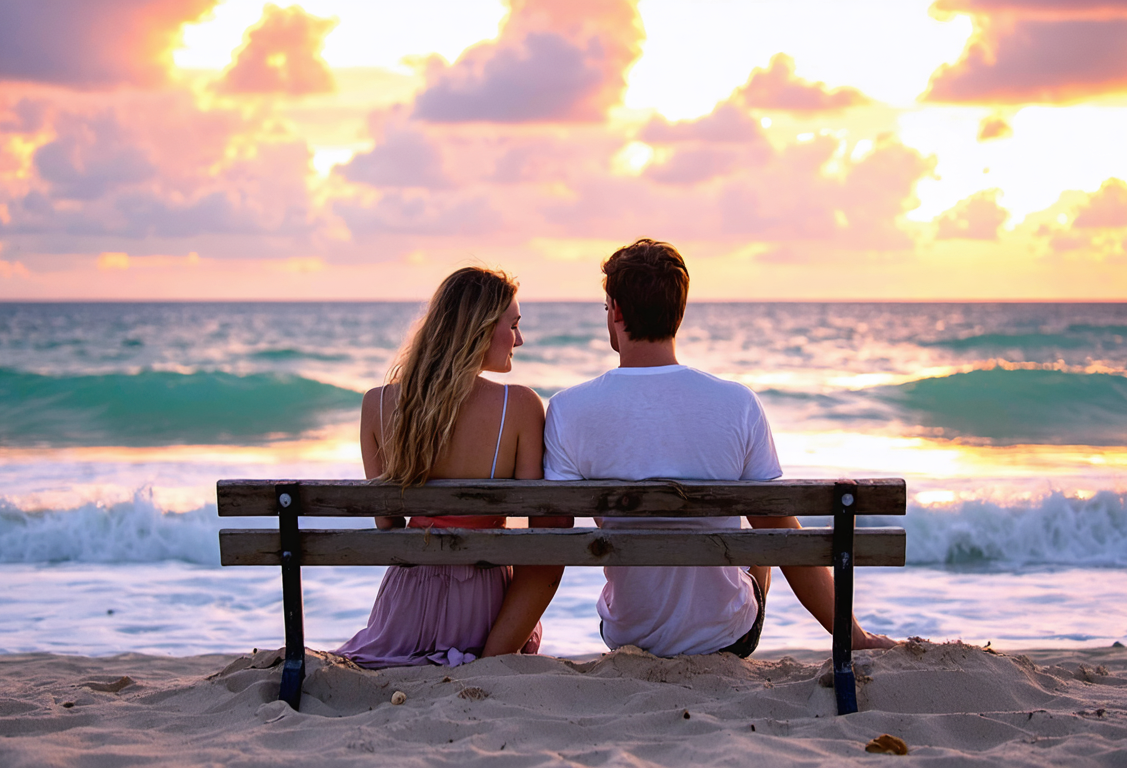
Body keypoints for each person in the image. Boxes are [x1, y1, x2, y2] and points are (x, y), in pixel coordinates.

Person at [543, 239, 896, 658]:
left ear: (617, 310)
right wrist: (853, 637)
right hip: (726, 639)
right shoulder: (737, 404)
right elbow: (782, 534)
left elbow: (549, 544)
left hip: (627, 636)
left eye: (606, 309)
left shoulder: (568, 409)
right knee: (756, 536)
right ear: (680, 311)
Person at [335, 266, 568, 668]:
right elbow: (537, 532)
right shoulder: (521, 407)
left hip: (405, 602)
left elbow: (386, 525)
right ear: (480, 327)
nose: (519, 339)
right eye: (512, 326)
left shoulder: (376, 404)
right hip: (481, 597)